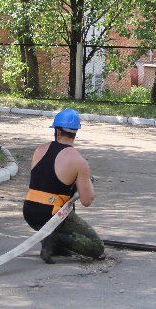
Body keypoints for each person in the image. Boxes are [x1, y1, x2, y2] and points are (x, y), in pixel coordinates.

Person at [23, 108, 104, 264]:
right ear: (75, 132)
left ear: (57, 131)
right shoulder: (78, 161)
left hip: (30, 213)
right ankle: (54, 239)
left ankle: (54, 242)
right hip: (52, 216)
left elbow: (45, 181)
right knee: (96, 247)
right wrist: (87, 184)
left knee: (66, 197)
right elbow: (87, 201)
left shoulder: (39, 150)